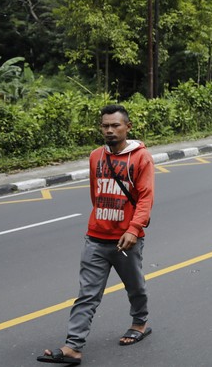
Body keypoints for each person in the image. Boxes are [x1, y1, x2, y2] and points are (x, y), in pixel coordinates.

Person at [38, 104, 155, 365]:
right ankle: (73, 347)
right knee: (88, 294)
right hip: (96, 236)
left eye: (116, 125)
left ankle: (139, 322)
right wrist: (101, 221)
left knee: (134, 285)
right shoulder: (95, 157)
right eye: (105, 126)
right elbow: (96, 194)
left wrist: (133, 228)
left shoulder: (140, 157)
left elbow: (145, 197)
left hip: (126, 239)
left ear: (128, 127)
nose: (110, 130)